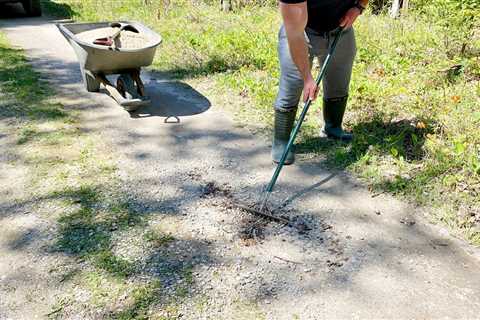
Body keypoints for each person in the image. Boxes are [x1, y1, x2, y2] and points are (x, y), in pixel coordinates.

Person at [272, 0, 368, 165]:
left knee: (339, 79)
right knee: (293, 83)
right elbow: (294, 34)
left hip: (340, 29)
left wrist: (358, 7)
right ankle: (281, 141)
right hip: (301, 32)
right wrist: (307, 78)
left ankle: (333, 127)